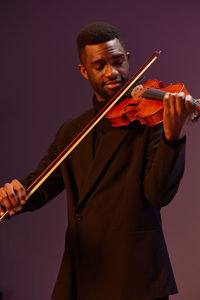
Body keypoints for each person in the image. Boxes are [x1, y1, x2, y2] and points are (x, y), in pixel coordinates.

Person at [0, 22, 197, 300]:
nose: (112, 72)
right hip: (82, 273)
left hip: (134, 277)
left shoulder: (150, 121)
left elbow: (158, 194)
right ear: (84, 71)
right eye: (100, 65)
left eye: (117, 62)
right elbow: (38, 187)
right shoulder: (72, 130)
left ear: (128, 60)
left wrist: (172, 138)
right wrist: (12, 194)